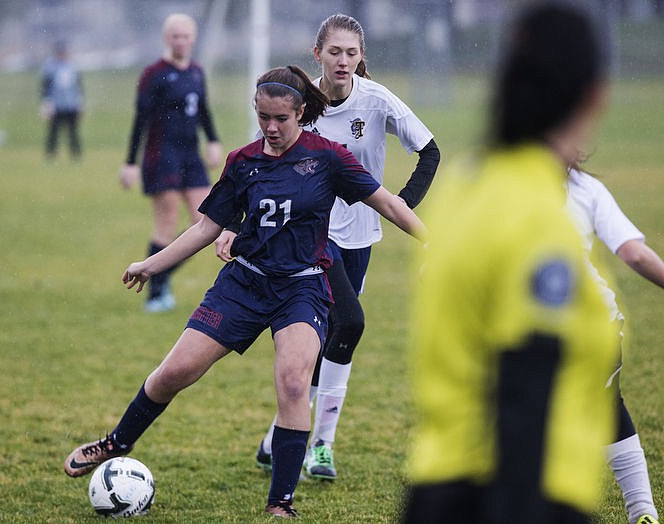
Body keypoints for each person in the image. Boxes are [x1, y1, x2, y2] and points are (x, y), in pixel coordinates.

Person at [64, 65, 425, 519]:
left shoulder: (329, 157)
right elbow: (205, 229)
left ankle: (281, 503)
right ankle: (115, 442)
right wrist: (150, 265)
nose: (271, 128)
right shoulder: (243, 162)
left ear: (301, 113)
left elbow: (389, 203)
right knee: (175, 372)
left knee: (294, 381)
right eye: (263, 117)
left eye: (281, 119)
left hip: (302, 288)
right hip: (244, 284)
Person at [402, 3, 620, 523]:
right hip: (516, 497)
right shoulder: (538, 219)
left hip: (438, 484)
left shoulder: (466, 183)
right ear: (595, 95)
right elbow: (525, 392)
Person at [216, 13, 440, 480]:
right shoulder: (300, 105)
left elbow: (430, 150)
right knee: (350, 322)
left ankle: (276, 439)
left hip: (359, 238)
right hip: (311, 239)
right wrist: (233, 224)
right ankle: (321, 445)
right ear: (317, 54)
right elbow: (258, 163)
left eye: (352, 53)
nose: (343, 61)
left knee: (327, 338)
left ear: (362, 58)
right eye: (334, 51)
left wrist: (400, 203)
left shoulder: (377, 101)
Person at [566, 163, 664, 524]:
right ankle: (643, 512)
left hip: (536, 330)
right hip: (600, 323)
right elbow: (634, 253)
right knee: (609, 410)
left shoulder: (503, 184)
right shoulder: (586, 187)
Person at [118, 13, 223, 313]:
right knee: (165, 225)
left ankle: (156, 274)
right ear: (167, 39)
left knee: (206, 223)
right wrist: (130, 163)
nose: (180, 41)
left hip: (191, 157)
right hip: (161, 156)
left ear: (193, 39)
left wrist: (213, 141)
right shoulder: (154, 73)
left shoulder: (196, 72)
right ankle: (156, 292)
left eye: (185, 36)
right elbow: (140, 119)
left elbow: (203, 111)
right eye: (175, 36)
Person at [40, 40, 84, 160]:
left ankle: (75, 154)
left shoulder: (72, 67)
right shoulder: (50, 67)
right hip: (56, 105)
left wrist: (80, 104)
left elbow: (78, 87)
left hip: (70, 104)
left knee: (73, 132)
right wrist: (46, 103)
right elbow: (45, 86)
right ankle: (51, 154)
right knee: (53, 132)